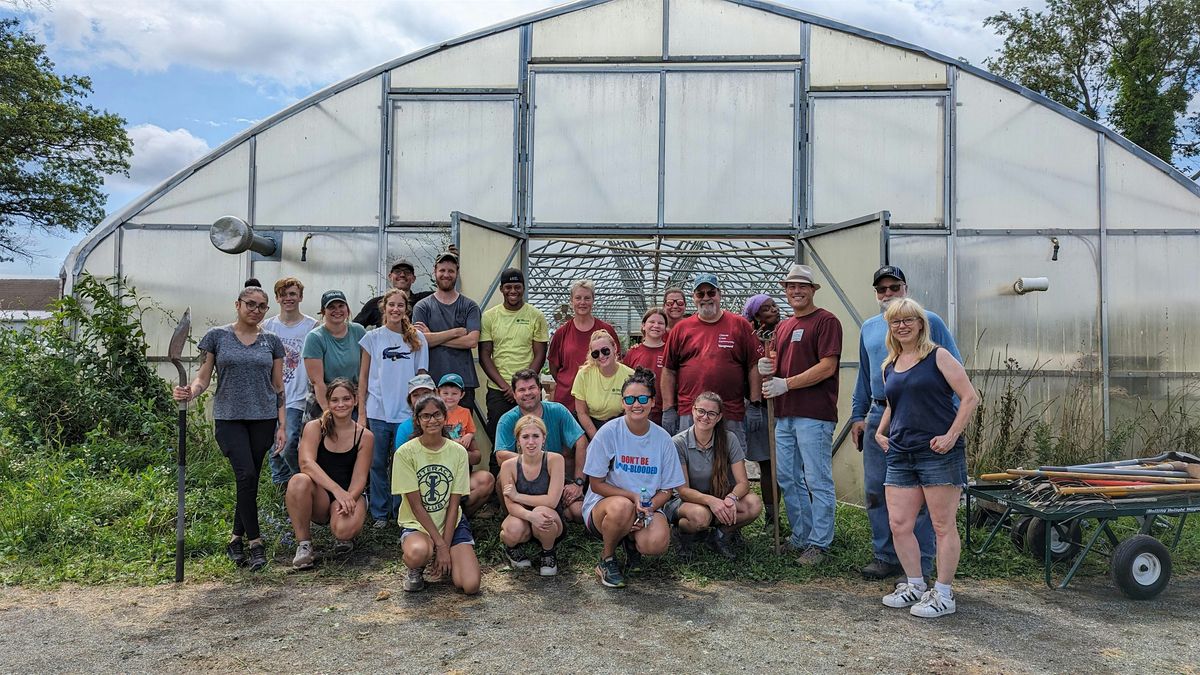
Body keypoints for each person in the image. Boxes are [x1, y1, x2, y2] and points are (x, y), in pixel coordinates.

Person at [851, 265, 962, 580]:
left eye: (894, 288)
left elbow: (954, 371)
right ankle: (885, 555)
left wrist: (947, 422)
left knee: (924, 492)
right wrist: (858, 416)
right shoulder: (870, 328)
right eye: (881, 290)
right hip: (880, 413)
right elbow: (864, 375)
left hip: (923, 416)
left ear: (906, 288)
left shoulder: (930, 322)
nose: (888, 294)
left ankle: (922, 562)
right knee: (878, 490)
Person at [876, 298, 979, 618]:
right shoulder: (889, 365)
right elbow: (894, 403)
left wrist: (951, 436)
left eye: (908, 320)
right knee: (899, 523)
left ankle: (944, 593)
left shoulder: (938, 356)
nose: (902, 326)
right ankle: (915, 585)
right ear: (890, 328)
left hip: (937, 453)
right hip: (901, 453)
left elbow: (970, 397)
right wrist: (881, 432)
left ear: (921, 323)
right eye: (896, 322)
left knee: (941, 524)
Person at [173, 282, 285, 571]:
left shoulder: (272, 341)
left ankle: (235, 538)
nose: (256, 310)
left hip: (263, 418)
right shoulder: (217, 337)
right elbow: (203, 377)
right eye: (251, 304)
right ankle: (256, 542)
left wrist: (282, 425)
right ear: (238, 305)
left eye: (262, 306)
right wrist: (190, 392)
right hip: (229, 418)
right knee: (245, 474)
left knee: (249, 482)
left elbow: (277, 386)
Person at [762, 264, 842, 565]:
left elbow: (827, 366)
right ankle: (800, 536)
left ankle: (819, 543)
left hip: (813, 414)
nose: (796, 291)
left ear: (812, 290)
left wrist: (788, 384)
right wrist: (768, 367)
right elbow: (778, 363)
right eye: (790, 287)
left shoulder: (826, 322)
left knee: (816, 479)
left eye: (802, 286)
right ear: (785, 291)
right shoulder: (783, 327)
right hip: (784, 414)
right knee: (787, 477)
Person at [582, 368, 685, 589]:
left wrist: (647, 508)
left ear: (652, 402)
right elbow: (596, 484)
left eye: (642, 398)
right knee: (622, 508)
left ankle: (630, 542)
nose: (636, 404)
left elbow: (667, 490)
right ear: (622, 403)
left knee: (656, 542)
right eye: (629, 399)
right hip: (606, 507)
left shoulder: (663, 439)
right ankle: (607, 559)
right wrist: (633, 498)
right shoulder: (609, 432)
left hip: (646, 507)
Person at [660, 273, 764, 450]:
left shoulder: (739, 325)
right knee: (690, 462)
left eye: (711, 293)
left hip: (729, 411)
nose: (706, 298)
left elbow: (754, 365)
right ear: (694, 298)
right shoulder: (682, 329)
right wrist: (668, 408)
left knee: (731, 462)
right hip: (690, 410)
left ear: (719, 294)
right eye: (700, 294)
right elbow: (669, 370)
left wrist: (755, 403)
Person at [393, 394, 480, 595]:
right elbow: (416, 506)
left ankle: (445, 557)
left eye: (437, 414)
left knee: (471, 585)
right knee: (417, 553)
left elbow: (454, 503)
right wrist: (440, 545)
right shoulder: (405, 453)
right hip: (419, 524)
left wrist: (445, 545)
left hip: (451, 523)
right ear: (417, 420)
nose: (432, 420)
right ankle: (418, 565)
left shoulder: (457, 452)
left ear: (444, 417)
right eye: (425, 416)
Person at [357, 288, 429, 528]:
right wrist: (363, 413)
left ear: (406, 309)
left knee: (403, 465)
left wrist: (419, 412)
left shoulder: (417, 339)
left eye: (401, 305)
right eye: (391, 305)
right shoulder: (372, 338)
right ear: (384, 308)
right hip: (377, 411)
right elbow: (364, 378)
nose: (396, 309)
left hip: (406, 414)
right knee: (377, 463)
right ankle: (379, 512)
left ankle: (402, 510)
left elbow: (421, 377)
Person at [286, 378, 373, 569]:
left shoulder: (364, 435)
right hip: (321, 495)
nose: (341, 404)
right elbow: (306, 463)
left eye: (346, 399)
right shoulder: (315, 427)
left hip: (350, 493)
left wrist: (348, 497)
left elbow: (360, 477)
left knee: (343, 530)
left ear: (355, 400)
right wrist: (336, 490)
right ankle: (304, 544)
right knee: (298, 481)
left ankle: (344, 535)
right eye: (335, 400)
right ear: (327, 402)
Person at [667, 392, 763, 560]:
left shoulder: (729, 439)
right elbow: (683, 491)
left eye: (711, 413)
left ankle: (719, 535)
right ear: (693, 411)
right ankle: (681, 533)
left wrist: (731, 498)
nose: (705, 417)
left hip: (719, 495)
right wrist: (712, 502)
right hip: (687, 501)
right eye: (701, 411)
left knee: (753, 504)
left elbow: (743, 483)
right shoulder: (678, 443)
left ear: (719, 417)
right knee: (701, 517)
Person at [494, 369, 589, 521]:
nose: (527, 393)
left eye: (531, 388)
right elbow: (501, 455)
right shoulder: (507, 420)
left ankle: (551, 509)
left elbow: (581, 441)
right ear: (514, 394)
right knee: (501, 479)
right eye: (522, 390)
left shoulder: (557, 410)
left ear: (539, 389)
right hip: (523, 479)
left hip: (554, 476)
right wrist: (535, 462)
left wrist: (578, 483)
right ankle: (517, 515)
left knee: (578, 513)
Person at [479, 267, 548, 448]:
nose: (513, 291)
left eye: (517, 287)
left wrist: (522, 386)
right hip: (499, 390)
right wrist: (507, 387)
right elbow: (485, 354)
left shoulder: (536, 315)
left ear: (523, 288)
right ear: (501, 289)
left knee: (532, 438)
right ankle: (499, 476)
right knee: (499, 441)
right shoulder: (489, 317)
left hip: (528, 391)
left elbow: (540, 353)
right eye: (508, 287)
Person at [412, 250, 483, 425]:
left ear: (457, 273)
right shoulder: (423, 306)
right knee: (431, 431)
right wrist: (455, 332)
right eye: (442, 270)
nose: (446, 274)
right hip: (431, 383)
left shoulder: (469, 306)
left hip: (463, 384)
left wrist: (433, 335)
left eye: (451, 271)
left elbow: (471, 341)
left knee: (461, 434)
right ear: (434, 272)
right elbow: (422, 341)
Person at [261, 276, 318, 488]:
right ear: (277, 298)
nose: (288, 298)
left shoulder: (312, 326)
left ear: (300, 297)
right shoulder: (267, 326)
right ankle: (281, 486)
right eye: (283, 294)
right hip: (272, 394)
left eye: (292, 294)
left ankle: (304, 480)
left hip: (298, 395)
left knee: (290, 441)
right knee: (273, 442)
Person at [498, 415, 565, 576]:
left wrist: (517, 496)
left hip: (549, 516)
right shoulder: (508, 466)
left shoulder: (555, 460)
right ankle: (512, 548)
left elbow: (552, 500)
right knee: (511, 530)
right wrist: (530, 515)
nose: (531, 442)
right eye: (525, 437)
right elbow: (510, 505)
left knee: (543, 511)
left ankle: (548, 552)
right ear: (518, 440)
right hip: (521, 516)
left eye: (536, 436)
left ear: (544, 438)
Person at [547, 279, 620, 414]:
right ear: (571, 301)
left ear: (593, 300)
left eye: (587, 298)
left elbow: (617, 361)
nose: (582, 302)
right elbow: (554, 367)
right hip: (568, 399)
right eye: (578, 298)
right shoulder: (561, 333)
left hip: (600, 400)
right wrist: (569, 381)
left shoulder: (606, 330)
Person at [741, 293, 781, 528]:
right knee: (767, 464)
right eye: (766, 308)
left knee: (783, 466)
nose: (774, 310)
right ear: (756, 316)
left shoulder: (783, 334)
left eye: (774, 305)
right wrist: (753, 404)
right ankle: (772, 518)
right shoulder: (750, 339)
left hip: (783, 406)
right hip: (759, 407)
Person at [437, 373, 496, 516]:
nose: (449, 397)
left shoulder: (465, 412)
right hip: (442, 467)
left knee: (483, 479)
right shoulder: (436, 413)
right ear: (438, 393)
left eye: (454, 393)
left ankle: (462, 515)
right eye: (445, 393)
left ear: (462, 395)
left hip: (462, 467)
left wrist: (469, 436)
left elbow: (471, 431)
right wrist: (453, 444)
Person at [302, 290, 367, 418]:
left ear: (347, 309)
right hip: (325, 398)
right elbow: (317, 382)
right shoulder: (315, 338)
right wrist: (329, 413)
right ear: (323, 311)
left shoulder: (358, 331)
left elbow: (365, 372)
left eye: (341, 306)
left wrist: (361, 410)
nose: (337, 310)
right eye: (331, 307)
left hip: (353, 399)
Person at [571, 330, 634, 440]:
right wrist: (597, 439)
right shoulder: (584, 374)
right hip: (591, 425)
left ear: (614, 348)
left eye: (605, 351)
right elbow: (581, 412)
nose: (601, 356)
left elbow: (631, 410)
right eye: (596, 353)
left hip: (619, 424)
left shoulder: (630, 375)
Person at [354, 259, 432, 328]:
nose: (402, 275)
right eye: (397, 272)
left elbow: (442, 293)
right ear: (390, 276)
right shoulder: (376, 303)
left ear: (413, 279)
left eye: (407, 272)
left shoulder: (424, 301)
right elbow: (353, 329)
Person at [622, 308, 668, 424]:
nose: (656, 326)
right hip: (636, 410)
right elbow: (624, 382)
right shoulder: (633, 353)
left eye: (661, 323)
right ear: (643, 325)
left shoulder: (669, 352)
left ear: (665, 328)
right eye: (652, 322)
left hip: (662, 412)